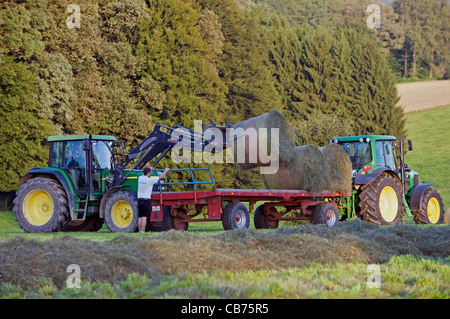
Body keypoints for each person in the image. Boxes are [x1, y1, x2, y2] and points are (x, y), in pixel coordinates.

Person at [137, 166, 170, 233]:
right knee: (144, 217)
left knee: (140, 217)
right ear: (149, 173)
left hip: (139, 199)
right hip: (146, 200)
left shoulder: (140, 178)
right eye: (150, 172)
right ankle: (142, 231)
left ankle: (139, 230)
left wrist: (150, 170)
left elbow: (144, 174)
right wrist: (165, 171)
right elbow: (160, 177)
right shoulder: (150, 180)